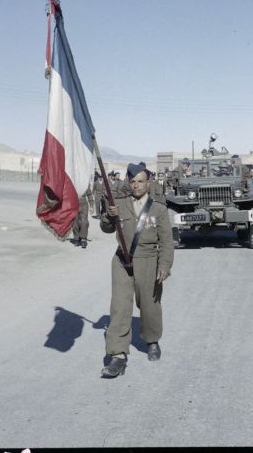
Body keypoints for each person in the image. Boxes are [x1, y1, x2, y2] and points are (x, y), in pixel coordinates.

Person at [100, 162, 174, 378]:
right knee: (120, 306)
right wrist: (109, 216)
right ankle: (117, 355)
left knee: (150, 305)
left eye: (140, 181)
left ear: (148, 182)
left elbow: (167, 241)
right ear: (128, 182)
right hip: (122, 261)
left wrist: (165, 265)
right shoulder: (119, 204)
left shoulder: (158, 208)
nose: (136, 185)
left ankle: (152, 340)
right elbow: (106, 228)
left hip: (149, 260)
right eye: (132, 181)